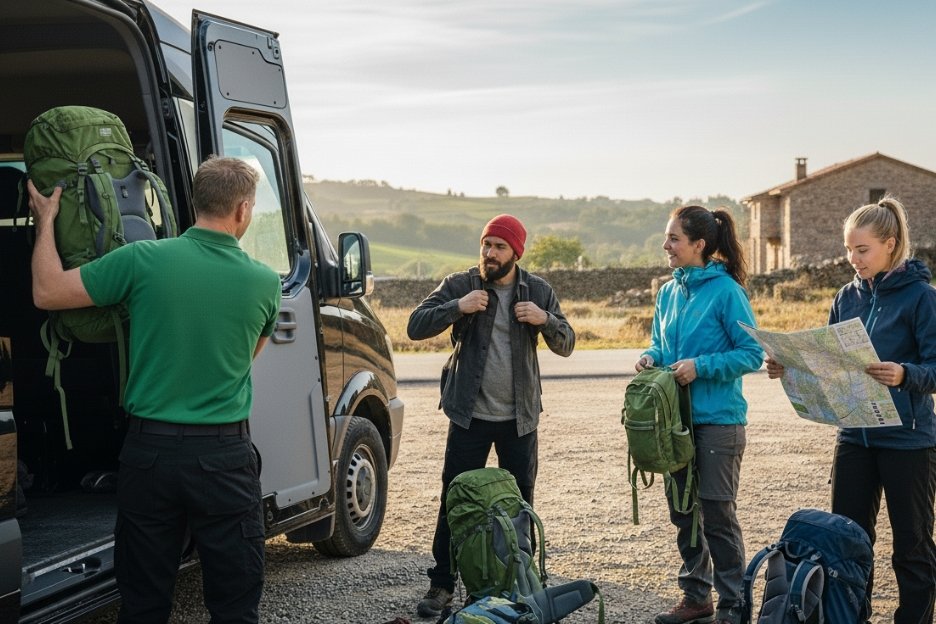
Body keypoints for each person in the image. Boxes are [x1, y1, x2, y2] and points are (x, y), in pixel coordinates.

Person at [27, 156, 281, 624]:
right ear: (243, 210)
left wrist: (46, 222)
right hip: (223, 459)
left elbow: (47, 291)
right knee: (235, 603)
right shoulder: (265, 283)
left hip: (149, 456)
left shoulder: (142, 260)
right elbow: (242, 360)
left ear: (195, 202)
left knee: (143, 603)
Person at [766, 196, 936, 624]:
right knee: (844, 541)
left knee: (912, 547)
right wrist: (790, 366)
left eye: (862, 250)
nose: (852, 259)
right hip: (853, 438)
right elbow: (828, 361)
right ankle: (848, 618)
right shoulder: (846, 296)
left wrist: (905, 374)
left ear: (891, 245)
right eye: (848, 250)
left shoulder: (922, 298)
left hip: (908, 441)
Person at [407, 214, 575, 617]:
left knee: (519, 503)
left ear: (516, 252)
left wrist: (545, 319)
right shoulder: (461, 284)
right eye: (486, 245)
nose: (490, 253)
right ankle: (442, 583)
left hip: (519, 419)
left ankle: (516, 583)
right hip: (469, 415)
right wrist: (456, 307)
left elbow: (567, 342)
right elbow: (415, 326)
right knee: (455, 498)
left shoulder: (537, 290)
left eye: (499, 247)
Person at [635, 205, 763, 624]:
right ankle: (696, 596)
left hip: (719, 421)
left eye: (674, 238)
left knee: (717, 514)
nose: (666, 245)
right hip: (675, 423)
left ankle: (732, 604)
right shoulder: (668, 292)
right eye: (666, 237)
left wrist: (700, 366)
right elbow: (659, 343)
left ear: (699, 245)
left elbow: (751, 353)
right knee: (683, 511)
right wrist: (650, 357)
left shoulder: (727, 292)